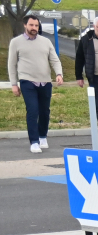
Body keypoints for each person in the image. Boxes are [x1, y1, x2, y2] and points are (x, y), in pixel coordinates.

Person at [8, 15, 64, 153]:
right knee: (33, 110)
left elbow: (54, 60)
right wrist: (14, 84)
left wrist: (59, 74)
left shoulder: (45, 41)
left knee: (45, 111)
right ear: (25, 25)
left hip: (45, 81)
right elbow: (11, 64)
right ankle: (34, 141)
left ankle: (42, 136)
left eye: (36, 26)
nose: (34, 28)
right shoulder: (16, 42)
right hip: (27, 81)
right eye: (31, 25)